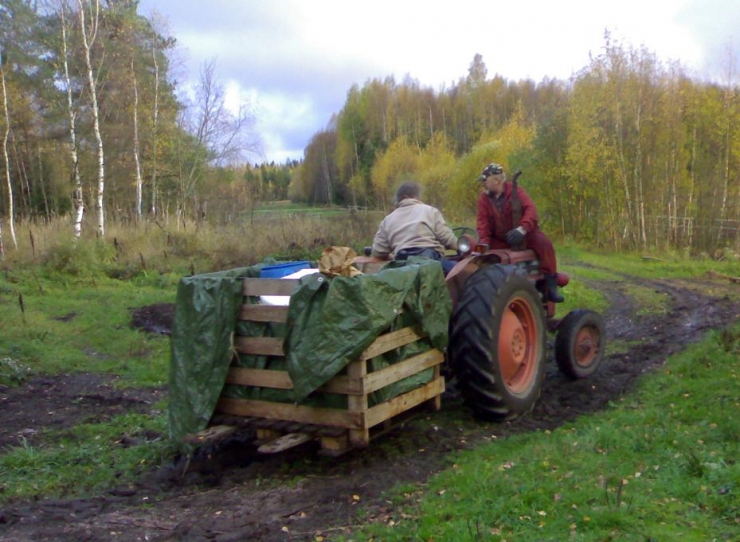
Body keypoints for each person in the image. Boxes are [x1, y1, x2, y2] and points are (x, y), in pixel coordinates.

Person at [475, 163, 564, 302]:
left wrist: (522, 229)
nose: (483, 185)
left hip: (524, 234)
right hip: (499, 238)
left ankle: (550, 287)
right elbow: (482, 222)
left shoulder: (516, 192)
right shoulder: (484, 199)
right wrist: (484, 242)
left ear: (496, 181)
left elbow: (531, 211)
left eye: (485, 181)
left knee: (544, 244)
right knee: (484, 257)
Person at [371, 181, 458, 275]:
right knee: (467, 272)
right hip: (430, 262)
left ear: (399, 198)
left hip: (403, 266)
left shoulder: (387, 220)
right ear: (416, 196)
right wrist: (460, 247)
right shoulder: (430, 211)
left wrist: (391, 256)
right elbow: (448, 239)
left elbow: (378, 251)